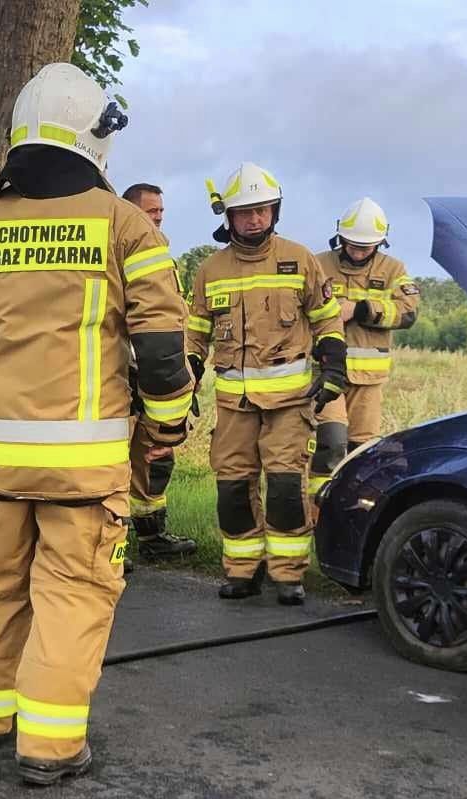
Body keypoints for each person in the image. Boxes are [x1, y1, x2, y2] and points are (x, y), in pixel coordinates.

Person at [0, 62, 195, 785]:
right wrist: (165, 428)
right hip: (85, 465)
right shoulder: (125, 225)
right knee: (72, 592)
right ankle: (50, 744)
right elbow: (163, 350)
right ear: (96, 140)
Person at [187, 163, 346, 605]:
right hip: (234, 405)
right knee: (233, 488)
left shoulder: (300, 259)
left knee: (283, 489)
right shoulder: (210, 270)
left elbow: (327, 318)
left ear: (275, 211)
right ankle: (242, 571)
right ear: (229, 218)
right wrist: (184, 377)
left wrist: (333, 367)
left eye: (262, 210)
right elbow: (194, 333)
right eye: (245, 213)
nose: (255, 219)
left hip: (289, 404)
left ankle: (289, 574)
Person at [310, 198, 419, 494]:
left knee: (363, 453)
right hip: (326, 372)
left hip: (368, 381)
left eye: (366, 246)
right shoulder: (318, 264)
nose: (358, 251)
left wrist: (359, 309)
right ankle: (318, 517)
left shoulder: (394, 270)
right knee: (330, 443)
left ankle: (353, 514)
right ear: (340, 237)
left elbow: (408, 311)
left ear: (381, 242)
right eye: (353, 244)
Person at [119, 181, 195, 566]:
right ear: (131, 212)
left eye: (161, 212)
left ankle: (152, 536)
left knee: (154, 459)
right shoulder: (121, 249)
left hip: (155, 378)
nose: (159, 219)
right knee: (114, 466)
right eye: (152, 213)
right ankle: (109, 548)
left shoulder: (160, 254)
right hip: (125, 378)